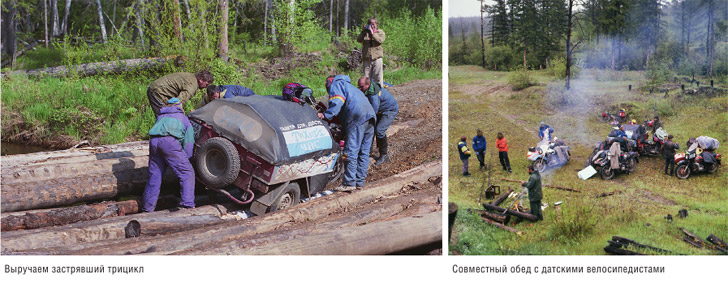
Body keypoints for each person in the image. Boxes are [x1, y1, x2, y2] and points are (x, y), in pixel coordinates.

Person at [318, 75, 376, 192]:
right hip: (370, 117)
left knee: (350, 151)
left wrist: (325, 115)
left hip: (357, 118)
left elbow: (337, 101)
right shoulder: (349, 86)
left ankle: (349, 182)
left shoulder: (336, 84)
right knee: (364, 152)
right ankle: (359, 182)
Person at [142, 98, 196, 212]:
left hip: (154, 142)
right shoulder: (184, 119)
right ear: (180, 107)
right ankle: (187, 205)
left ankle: (147, 208)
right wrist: (187, 160)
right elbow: (189, 143)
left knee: (154, 176)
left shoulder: (160, 117)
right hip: (170, 142)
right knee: (187, 173)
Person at [358, 76, 399, 165]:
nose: (360, 89)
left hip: (389, 110)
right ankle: (368, 151)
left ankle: (384, 155)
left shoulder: (374, 95)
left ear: (368, 84)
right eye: (359, 87)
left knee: (379, 130)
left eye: (361, 87)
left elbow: (373, 111)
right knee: (370, 128)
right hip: (381, 110)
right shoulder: (367, 89)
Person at [147, 70, 214, 116]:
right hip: (159, 91)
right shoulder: (192, 85)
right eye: (206, 84)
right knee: (164, 117)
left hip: (159, 89)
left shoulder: (191, 77)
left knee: (166, 115)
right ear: (201, 79)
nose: (206, 87)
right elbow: (179, 102)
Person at [356, 17, 385, 84]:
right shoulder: (366, 33)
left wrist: (373, 33)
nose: (372, 26)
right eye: (370, 24)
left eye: (373, 24)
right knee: (366, 78)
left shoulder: (380, 32)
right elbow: (358, 40)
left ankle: (379, 92)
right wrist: (363, 32)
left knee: (378, 77)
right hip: (367, 58)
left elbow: (380, 40)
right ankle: (367, 92)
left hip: (377, 57)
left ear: (376, 24)